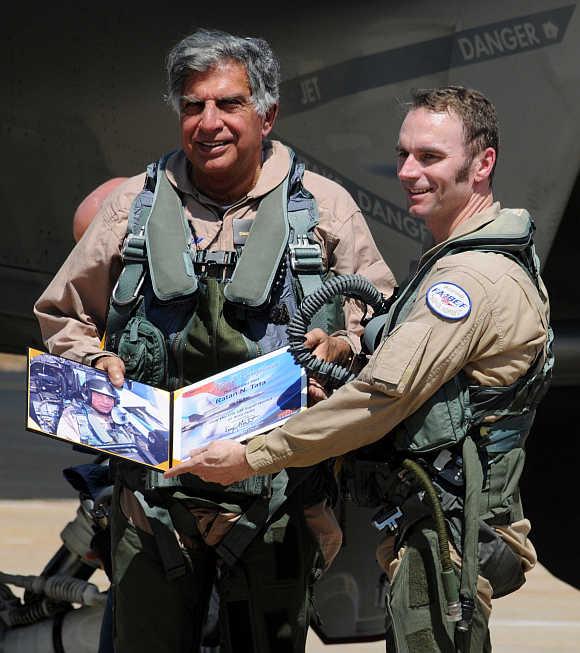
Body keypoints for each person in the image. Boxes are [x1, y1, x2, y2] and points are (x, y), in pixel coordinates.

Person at [34, 28, 395, 653]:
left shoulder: (324, 208)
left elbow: (384, 319)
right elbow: (62, 313)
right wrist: (96, 361)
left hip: (277, 495)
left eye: (229, 104)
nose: (210, 123)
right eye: (194, 106)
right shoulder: (133, 209)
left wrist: (340, 350)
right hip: (152, 504)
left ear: (267, 114)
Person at [170, 86, 552, 652]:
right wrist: (350, 346)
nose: (408, 172)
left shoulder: (468, 283)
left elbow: (380, 401)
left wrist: (253, 456)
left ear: (483, 163)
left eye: (430, 157)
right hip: (435, 525)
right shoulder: (469, 257)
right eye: (403, 154)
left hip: (446, 535)